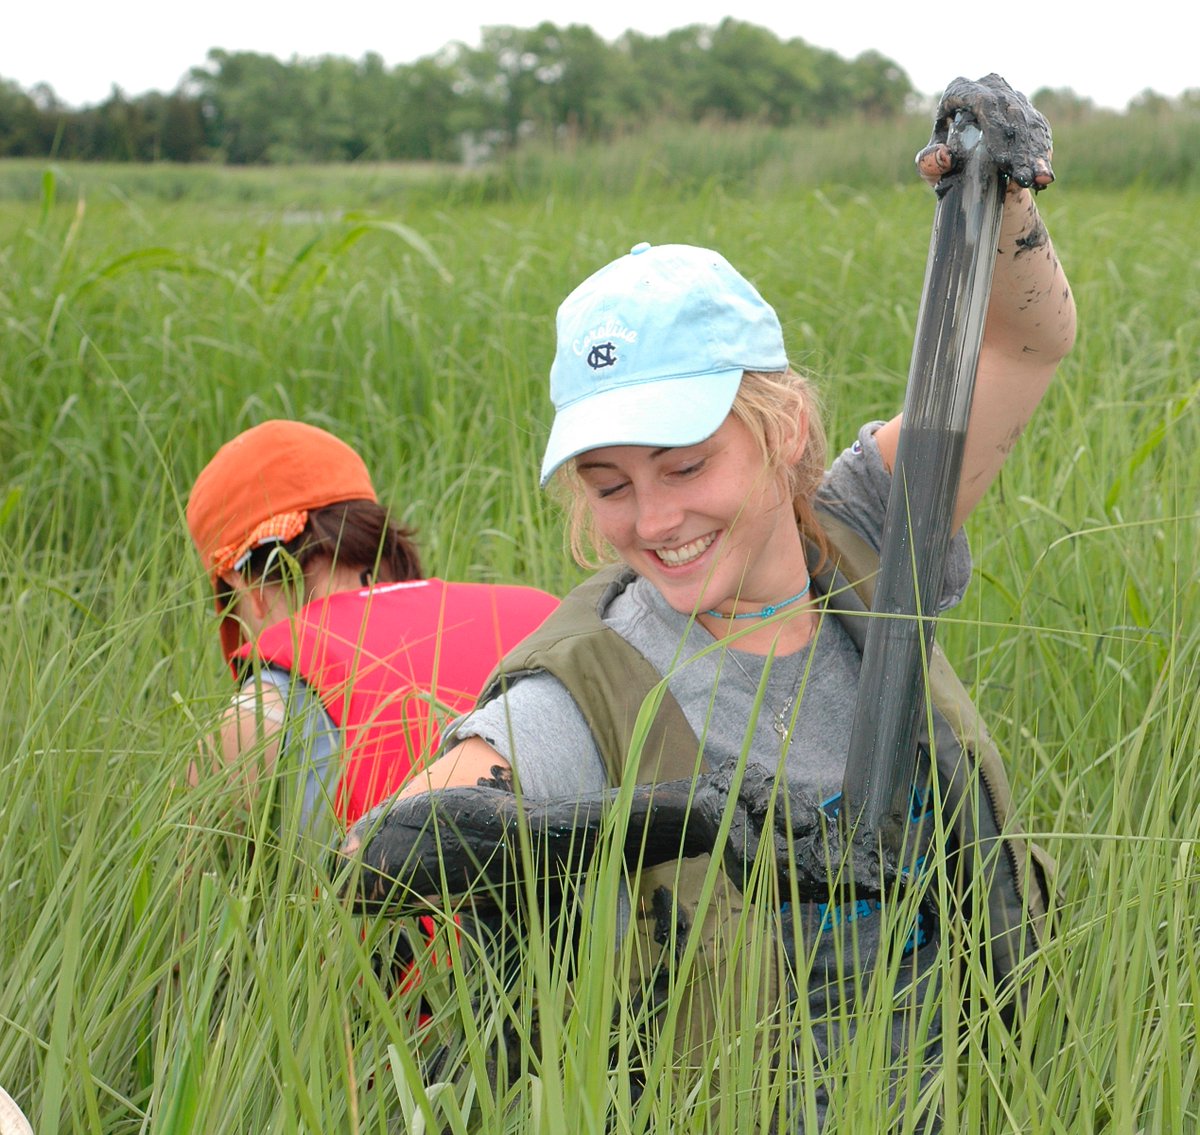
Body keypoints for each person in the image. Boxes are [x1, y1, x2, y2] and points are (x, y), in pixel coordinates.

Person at [343, 75, 1075, 1127]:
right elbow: (380, 856)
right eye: (608, 485)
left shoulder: (871, 528)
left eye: (685, 466)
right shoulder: (594, 684)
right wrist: (681, 818)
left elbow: (1020, 345)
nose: (651, 520)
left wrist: (1005, 203)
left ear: (778, 428)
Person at [185, 418, 559, 840]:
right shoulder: (543, 611)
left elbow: (181, 889)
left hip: (390, 905)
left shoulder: (267, 701)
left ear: (242, 586)